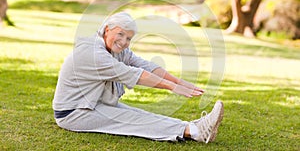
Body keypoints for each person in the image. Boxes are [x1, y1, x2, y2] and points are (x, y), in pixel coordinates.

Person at [52, 11, 224, 143]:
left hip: (94, 103)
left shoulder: (115, 49)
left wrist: (179, 81)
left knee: (138, 113)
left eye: (128, 38)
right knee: (133, 119)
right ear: (106, 30)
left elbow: (144, 65)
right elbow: (135, 75)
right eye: (120, 34)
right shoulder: (93, 53)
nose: (124, 42)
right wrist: (173, 87)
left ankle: (193, 126)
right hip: (74, 113)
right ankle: (195, 131)